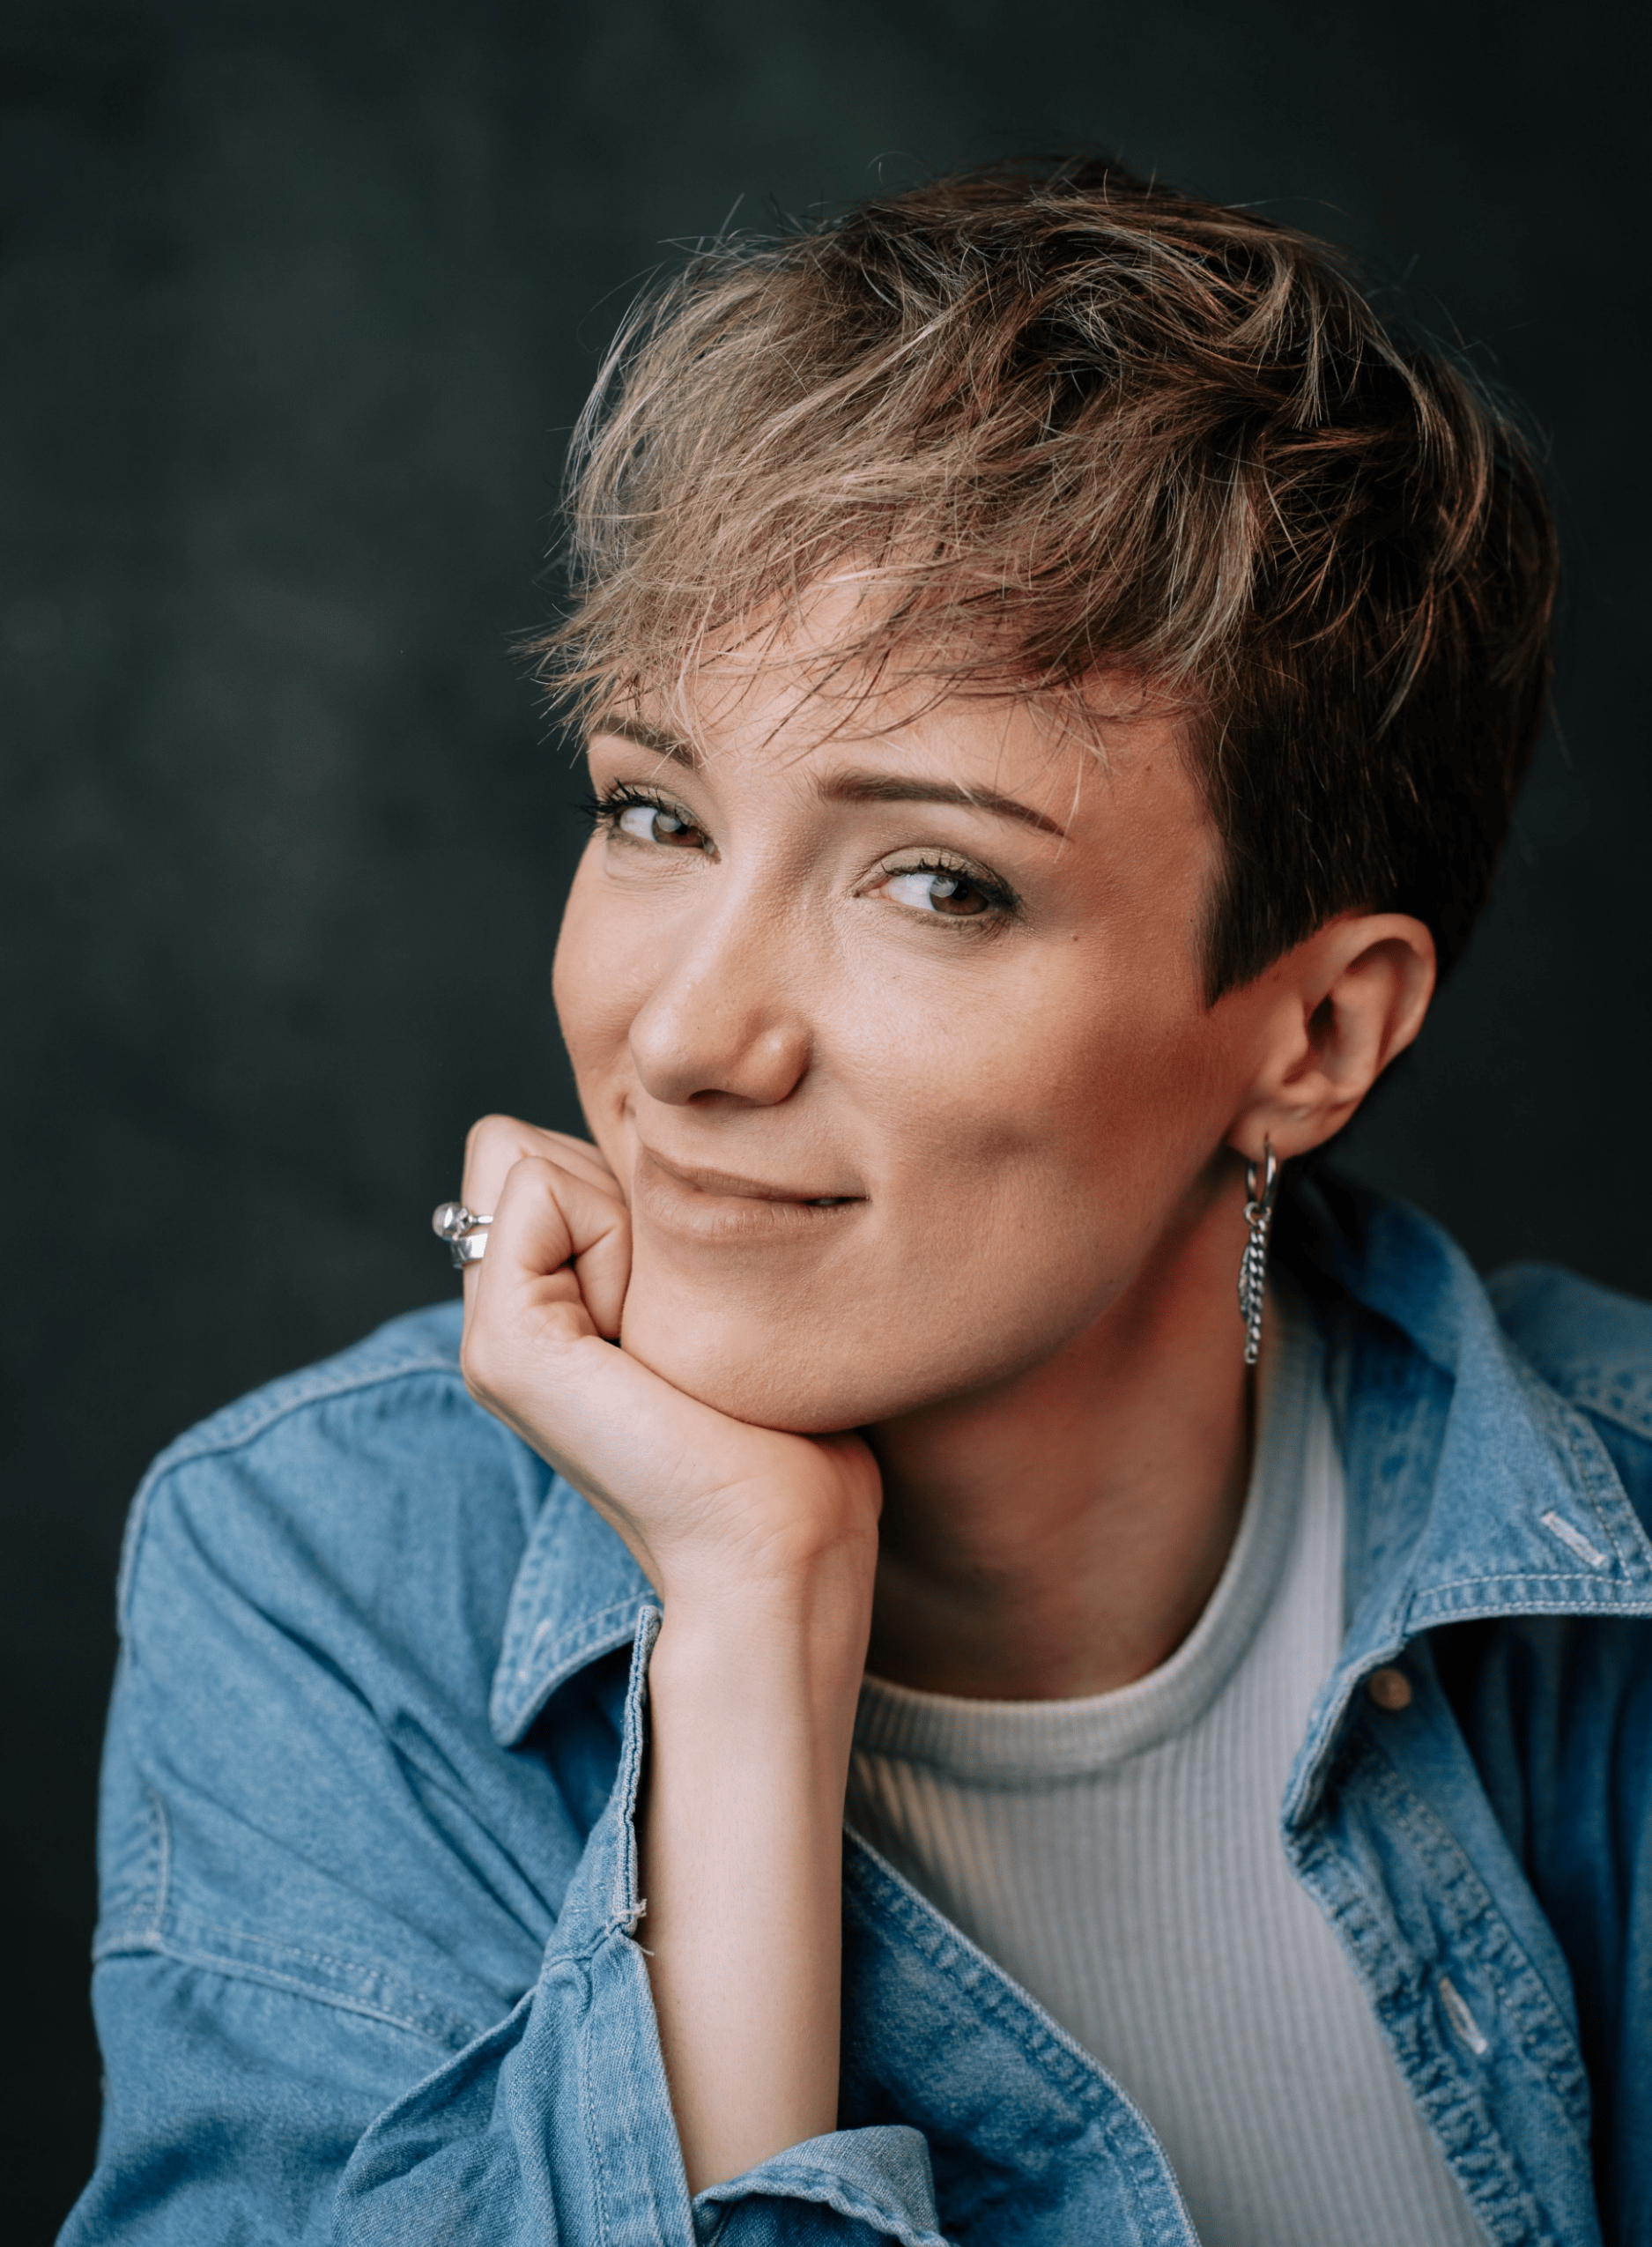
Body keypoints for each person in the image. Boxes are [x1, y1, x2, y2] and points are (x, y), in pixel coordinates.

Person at [62, 161, 1651, 2247]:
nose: (692, 1038)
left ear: (1316, 1036)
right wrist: (742, 1634)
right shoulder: (328, 1579)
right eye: (653, 812)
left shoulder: (1610, 1540)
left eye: (936, 880)